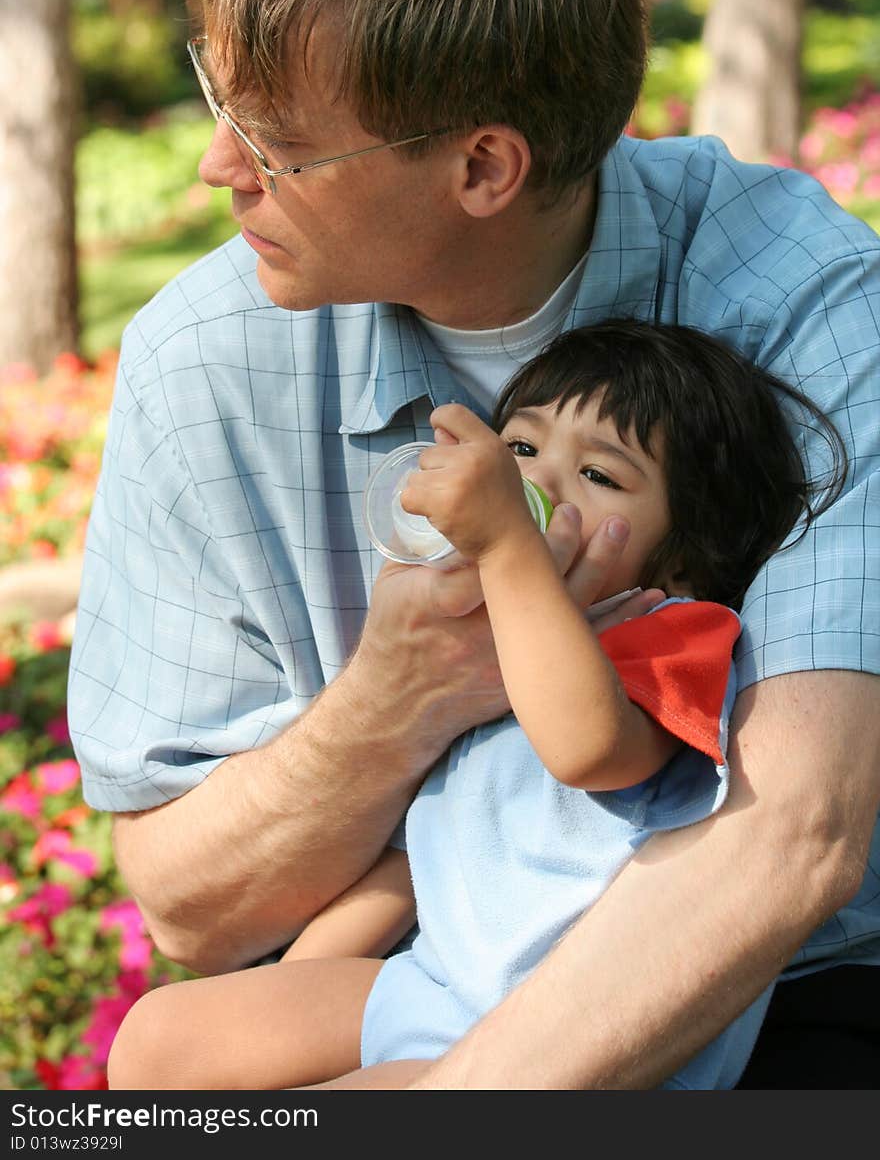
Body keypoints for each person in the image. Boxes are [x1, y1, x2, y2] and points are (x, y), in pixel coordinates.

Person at [67, 0, 880, 1089]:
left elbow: (800, 833)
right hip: (417, 975)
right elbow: (189, 907)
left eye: (278, 144)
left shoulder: (800, 301)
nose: (219, 168)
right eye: (221, 103)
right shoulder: (202, 361)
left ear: (484, 166)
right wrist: (405, 693)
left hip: (773, 997)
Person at [106, 319, 846, 1091]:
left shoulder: (677, 633)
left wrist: (506, 547)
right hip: (436, 986)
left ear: (688, 552)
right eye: (522, 451)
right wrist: (278, 1000)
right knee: (159, 1043)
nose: (539, 488)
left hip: (558, 1040)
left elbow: (588, 749)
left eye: (600, 476)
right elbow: (416, 862)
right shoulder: (489, 657)